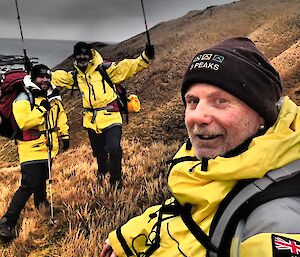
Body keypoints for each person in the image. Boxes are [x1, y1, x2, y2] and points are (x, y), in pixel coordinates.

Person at [100, 37, 300, 257]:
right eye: (193, 101)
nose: (197, 117)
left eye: (221, 101)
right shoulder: (214, 165)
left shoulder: (275, 220)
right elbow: (188, 212)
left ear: (261, 113)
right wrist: (128, 237)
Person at [51, 42, 155, 188]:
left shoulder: (104, 69)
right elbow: (58, 77)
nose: (82, 57)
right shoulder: (76, 76)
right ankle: (102, 175)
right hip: (91, 121)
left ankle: (116, 183)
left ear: (91, 55)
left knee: (114, 148)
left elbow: (126, 67)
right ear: (75, 56)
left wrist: (145, 58)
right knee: (99, 153)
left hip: (111, 116)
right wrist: (39, 74)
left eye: (85, 54)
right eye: (79, 54)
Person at [0, 64, 70, 240]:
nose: (45, 80)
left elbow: (59, 115)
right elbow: (23, 122)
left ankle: (41, 205)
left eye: (47, 77)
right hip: (30, 148)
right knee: (28, 184)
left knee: (42, 178)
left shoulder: (52, 95)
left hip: (48, 146)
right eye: (41, 77)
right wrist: (41, 109)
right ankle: (7, 222)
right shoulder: (23, 96)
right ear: (33, 78)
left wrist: (65, 134)